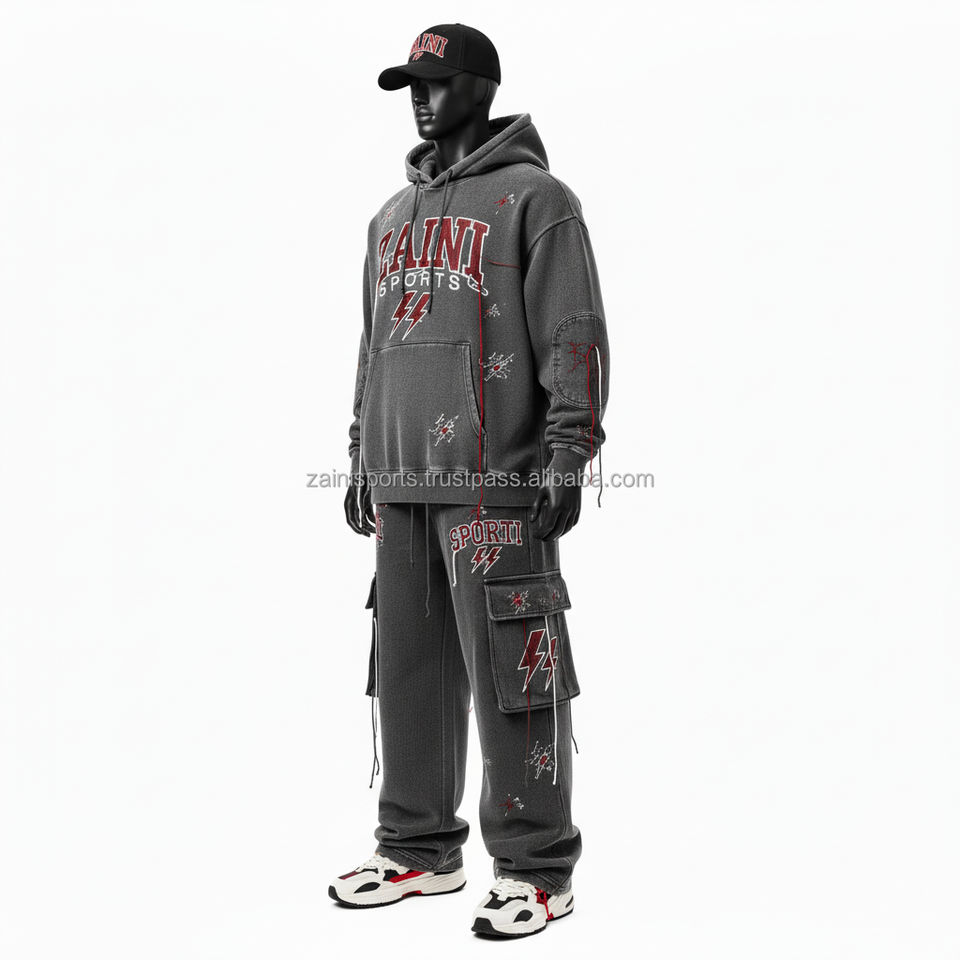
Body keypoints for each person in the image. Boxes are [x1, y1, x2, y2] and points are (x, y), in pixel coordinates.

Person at [330, 23, 610, 938]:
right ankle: (418, 849)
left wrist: (569, 451)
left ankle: (537, 869)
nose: (421, 97)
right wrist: (362, 451)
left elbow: (573, 332)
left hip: (498, 482)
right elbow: (374, 344)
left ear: (482, 88)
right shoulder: (388, 217)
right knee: (406, 672)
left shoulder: (539, 201)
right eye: (411, 84)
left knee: (514, 674)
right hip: (401, 481)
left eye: (438, 81)